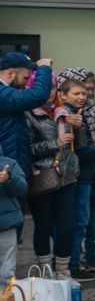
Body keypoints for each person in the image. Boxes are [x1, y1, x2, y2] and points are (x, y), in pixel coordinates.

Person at [26, 78, 84, 277]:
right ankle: (45, 271)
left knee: (67, 226)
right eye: (46, 87)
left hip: (67, 176)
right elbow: (27, 149)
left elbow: (80, 146)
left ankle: (62, 271)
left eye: (54, 87)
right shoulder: (28, 113)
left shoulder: (64, 111)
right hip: (42, 175)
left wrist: (78, 127)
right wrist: (55, 143)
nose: (50, 92)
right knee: (43, 225)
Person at [59, 68, 95, 280]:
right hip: (77, 174)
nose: (83, 96)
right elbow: (80, 148)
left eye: (86, 93)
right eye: (78, 92)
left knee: (79, 220)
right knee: (78, 220)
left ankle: (69, 263)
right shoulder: (70, 116)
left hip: (83, 173)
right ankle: (71, 265)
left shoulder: (83, 114)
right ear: (63, 93)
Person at [0, 52, 54, 181]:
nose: (26, 84)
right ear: (10, 73)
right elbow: (38, 96)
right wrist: (44, 69)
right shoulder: (3, 94)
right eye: (25, 78)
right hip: (7, 166)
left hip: (13, 162)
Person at [0, 146, 27, 283]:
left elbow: (22, 188)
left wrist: (8, 179)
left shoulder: (8, 163)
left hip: (6, 225)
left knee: (6, 273)